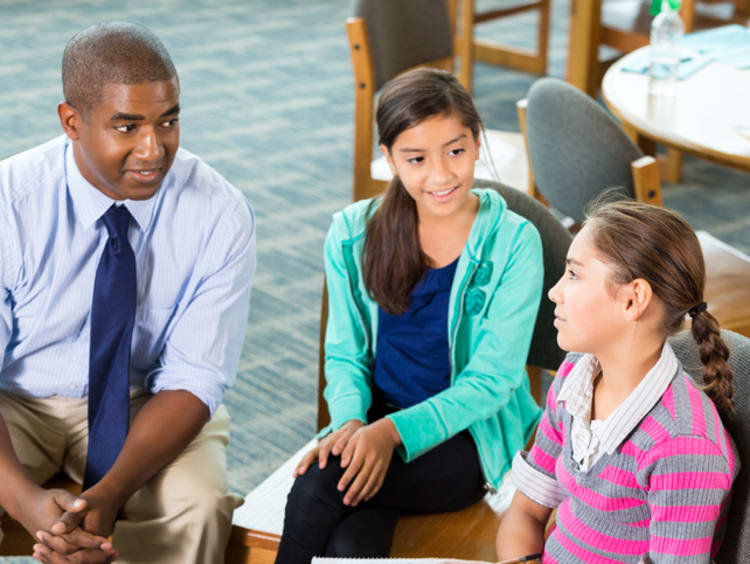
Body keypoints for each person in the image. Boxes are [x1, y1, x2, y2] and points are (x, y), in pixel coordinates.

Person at [0, 21, 256, 563]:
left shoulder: (219, 213)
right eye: (127, 126)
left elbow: (196, 378)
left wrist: (109, 494)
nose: (153, 148)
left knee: (201, 505)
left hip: (147, 401)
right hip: (17, 400)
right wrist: (25, 503)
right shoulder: (10, 204)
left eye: (168, 121)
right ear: (72, 121)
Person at [274, 67, 544, 562]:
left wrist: (389, 434)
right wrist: (355, 423)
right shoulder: (352, 234)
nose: (440, 175)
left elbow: (493, 381)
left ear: (477, 141)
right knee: (349, 542)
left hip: (466, 439)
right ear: (389, 158)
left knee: (320, 488)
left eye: (455, 151)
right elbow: (345, 355)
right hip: (373, 421)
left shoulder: (515, 242)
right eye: (416, 159)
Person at [496, 199, 739, 563]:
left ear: (632, 300)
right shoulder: (575, 377)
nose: (555, 291)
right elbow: (526, 512)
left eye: (574, 275)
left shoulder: (682, 446)